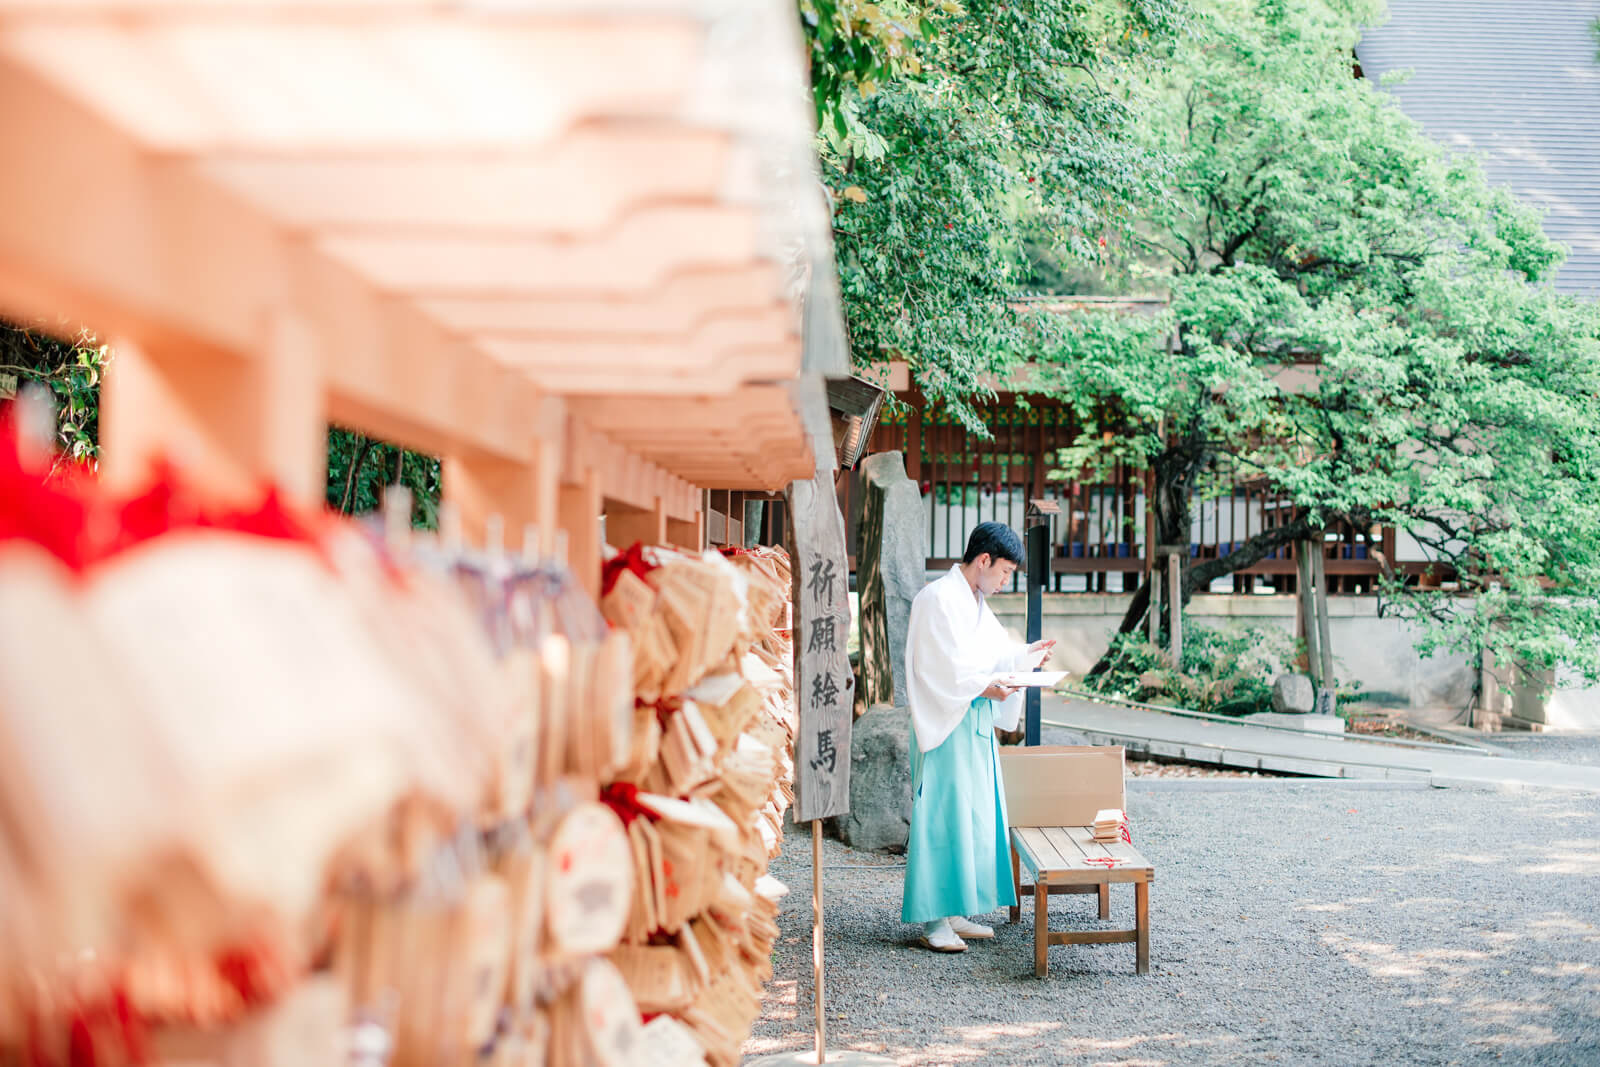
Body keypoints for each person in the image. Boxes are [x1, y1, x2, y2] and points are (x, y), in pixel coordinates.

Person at [901, 521, 1055, 952]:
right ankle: (933, 921)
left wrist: (1027, 656)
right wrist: (986, 685)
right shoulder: (936, 599)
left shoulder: (974, 601)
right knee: (942, 815)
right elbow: (937, 667)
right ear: (984, 560)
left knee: (970, 815)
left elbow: (991, 656)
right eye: (1005, 571)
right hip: (946, 720)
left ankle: (952, 910)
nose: (1006, 581)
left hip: (972, 719)